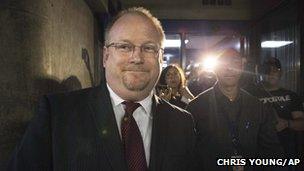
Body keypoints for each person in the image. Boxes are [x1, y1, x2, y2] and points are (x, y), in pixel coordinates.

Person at [8, 7, 197, 171]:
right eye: (124, 46)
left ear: (160, 57)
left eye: (148, 48)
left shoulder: (182, 123)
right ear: (105, 56)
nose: (136, 57)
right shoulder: (57, 114)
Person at [187, 48, 284, 171]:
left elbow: (271, 150)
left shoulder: (257, 106)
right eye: (223, 63)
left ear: (242, 66)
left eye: (235, 62)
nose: (229, 68)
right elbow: (186, 154)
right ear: (214, 68)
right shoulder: (196, 107)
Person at [245, 57, 304, 161]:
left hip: (285, 152)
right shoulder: (250, 95)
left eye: (275, 70)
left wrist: (286, 123)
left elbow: (302, 124)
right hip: (256, 153)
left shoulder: (292, 95)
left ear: (280, 73)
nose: (271, 73)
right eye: (267, 70)